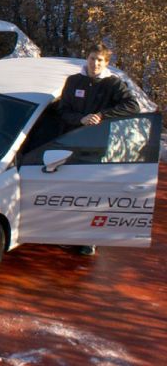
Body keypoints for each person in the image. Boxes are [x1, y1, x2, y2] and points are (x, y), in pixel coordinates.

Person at [59, 41, 139, 256]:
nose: (95, 63)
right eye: (92, 58)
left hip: (96, 147)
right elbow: (62, 111)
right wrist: (80, 119)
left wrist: (102, 116)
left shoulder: (113, 84)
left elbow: (132, 106)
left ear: (106, 63)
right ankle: (67, 234)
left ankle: (89, 239)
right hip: (71, 143)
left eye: (100, 60)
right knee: (70, 192)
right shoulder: (74, 81)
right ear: (87, 59)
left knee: (92, 194)